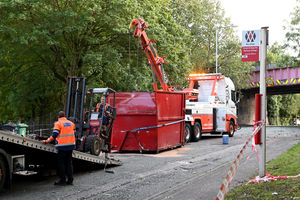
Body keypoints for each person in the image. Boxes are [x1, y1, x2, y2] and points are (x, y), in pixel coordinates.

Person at [43, 111, 76, 186]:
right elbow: (74, 133)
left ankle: (62, 180)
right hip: (71, 145)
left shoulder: (58, 123)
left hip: (62, 146)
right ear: (65, 116)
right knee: (69, 163)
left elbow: (54, 134)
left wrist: (47, 141)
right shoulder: (71, 123)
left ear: (58, 116)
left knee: (61, 164)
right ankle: (70, 180)